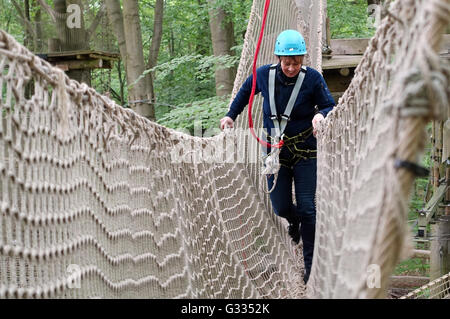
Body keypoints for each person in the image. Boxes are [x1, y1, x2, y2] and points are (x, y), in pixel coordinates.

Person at [219, 30, 335, 284]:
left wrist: (321, 115)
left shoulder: (312, 79)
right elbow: (244, 93)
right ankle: (293, 223)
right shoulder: (263, 75)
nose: (292, 67)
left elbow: (329, 104)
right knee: (281, 206)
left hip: (306, 150)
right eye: (287, 62)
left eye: (296, 62)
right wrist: (230, 116)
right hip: (274, 151)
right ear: (278, 58)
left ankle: (311, 269)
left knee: (308, 207)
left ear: (303, 59)